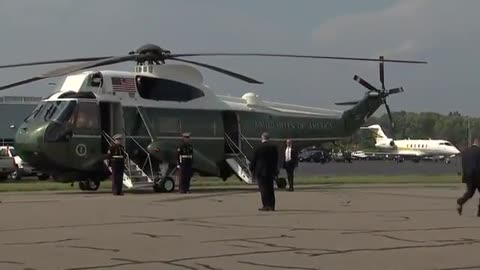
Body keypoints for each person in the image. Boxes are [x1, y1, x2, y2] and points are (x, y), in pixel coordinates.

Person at [249, 132, 279, 211]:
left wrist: (251, 168)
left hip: (261, 171)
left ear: (262, 138)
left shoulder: (258, 148)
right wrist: (275, 170)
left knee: (263, 189)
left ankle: (266, 205)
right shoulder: (273, 147)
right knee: (270, 188)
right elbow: (276, 160)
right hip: (270, 171)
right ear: (269, 138)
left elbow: (254, 160)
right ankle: (272, 206)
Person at [457, 137, 480, 216]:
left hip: (468, 175)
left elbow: (464, 164)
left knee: (469, 193)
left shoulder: (465, 151)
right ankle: (479, 212)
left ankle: (460, 201)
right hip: (478, 176)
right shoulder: (479, 151)